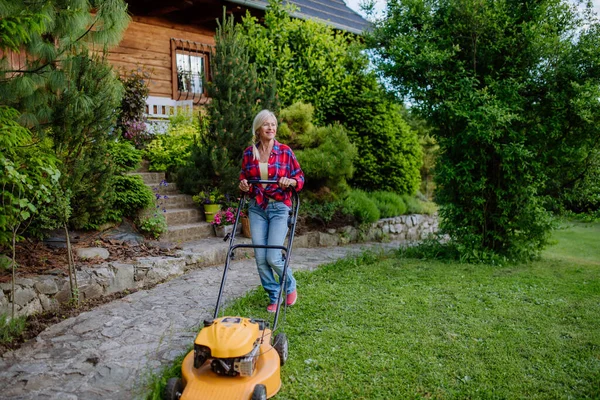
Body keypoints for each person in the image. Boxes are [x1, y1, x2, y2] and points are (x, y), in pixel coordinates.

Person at [239, 110, 305, 313]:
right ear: (258, 129)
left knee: (273, 257)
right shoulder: (249, 153)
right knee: (260, 258)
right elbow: (244, 179)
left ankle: (290, 285)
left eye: (273, 124)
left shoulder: (285, 151)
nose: (271, 128)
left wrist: (290, 181)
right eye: (266, 124)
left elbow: (300, 179)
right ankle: (274, 295)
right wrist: (243, 185)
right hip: (258, 208)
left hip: (279, 207)